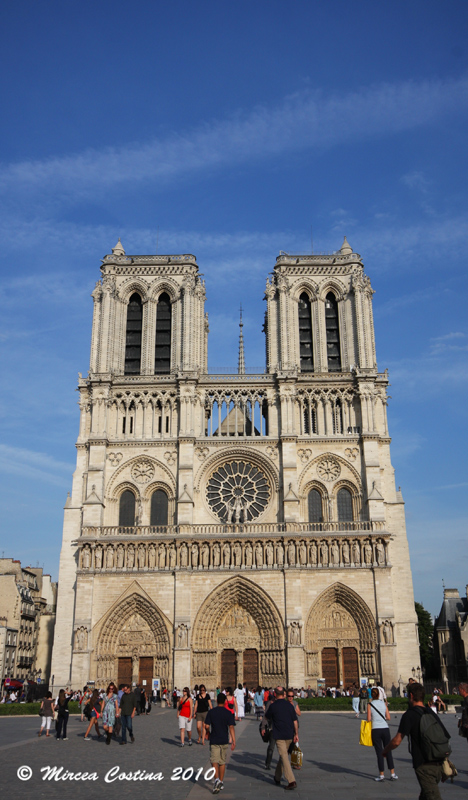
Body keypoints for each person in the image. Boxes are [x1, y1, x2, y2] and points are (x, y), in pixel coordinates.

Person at [382, 682, 450, 799]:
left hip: (424, 766)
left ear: (411, 696)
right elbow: (442, 738)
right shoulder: (431, 712)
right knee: (425, 795)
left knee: (432, 796)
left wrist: (385, 750)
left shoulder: (409, 715)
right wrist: (445, 764)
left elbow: (397, 740)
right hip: (438, 764)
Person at [262, 686, 299, 790]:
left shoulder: (273, 706)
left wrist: (263, 727)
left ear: (275, 694)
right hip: (289, 735)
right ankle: (277, 777)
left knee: (284, 756)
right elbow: (295, 721)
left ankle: (291, 781)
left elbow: (266, 716)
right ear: (284, 694)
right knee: (283, 756)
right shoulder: (290, 706)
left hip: (279, 735)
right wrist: (296, 734)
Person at [204, 692, 236, 794]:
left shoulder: (212, 712)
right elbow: (231, 727)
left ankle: (217, 780)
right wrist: (234, 740)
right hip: (224, 740)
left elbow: (207, 725)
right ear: (225, 701)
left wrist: (207, 732)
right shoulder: (228, 713)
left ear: (217, 701)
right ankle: (221, 781)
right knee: (222, 762)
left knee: (214, 760)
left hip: (214, 739)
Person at [366, 687, 398, 781]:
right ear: (379, 695)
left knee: (379, 753)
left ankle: (381, 775)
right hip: (385, 729)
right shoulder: (384, 703)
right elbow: (388, 717)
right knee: (388, 751)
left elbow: (368, 719)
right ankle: (392, 774)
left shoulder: (370, 705)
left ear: (372, 695)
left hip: (375, 729)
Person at [261, 688, 276, 770]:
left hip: (281, 728)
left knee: (283, 749)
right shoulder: (270, 703)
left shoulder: (284, 703)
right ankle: (268, 763)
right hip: (272, 728)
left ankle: (283, 763)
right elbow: (265, 716)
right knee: (271, 747)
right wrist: (263, 727)